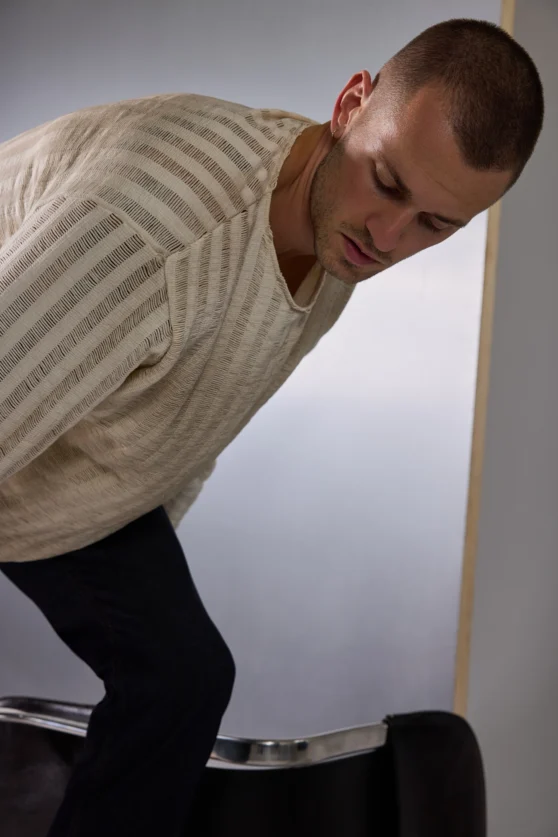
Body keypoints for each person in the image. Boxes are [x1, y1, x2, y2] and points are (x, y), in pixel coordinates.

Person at [0, 16, 544, 837]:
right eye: (389, 183)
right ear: (350, 104)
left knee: (179, 676)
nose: (390, 238)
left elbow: (194, 409)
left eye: (437, 225)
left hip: (69, 448)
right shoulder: (156, 230)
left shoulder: (337, 227)